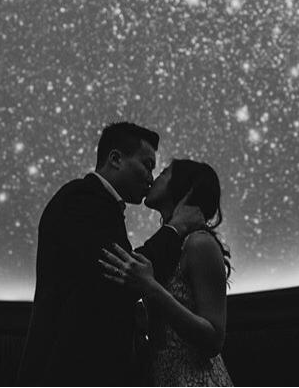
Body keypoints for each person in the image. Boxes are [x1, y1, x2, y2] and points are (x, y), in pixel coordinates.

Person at [17, 123, 206, 386]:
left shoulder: (96, 204)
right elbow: (122, 275)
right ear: (116, 159)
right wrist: (176, 228)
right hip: (72, 372)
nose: (151, 178)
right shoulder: (81, 199)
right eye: (147, 165)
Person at [100, 159, 233, 386]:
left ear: (186, 187)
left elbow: (214, 338)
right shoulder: (172, 246)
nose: (152, 179)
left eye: (162, 173)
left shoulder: (199, 243)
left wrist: (150, 287)